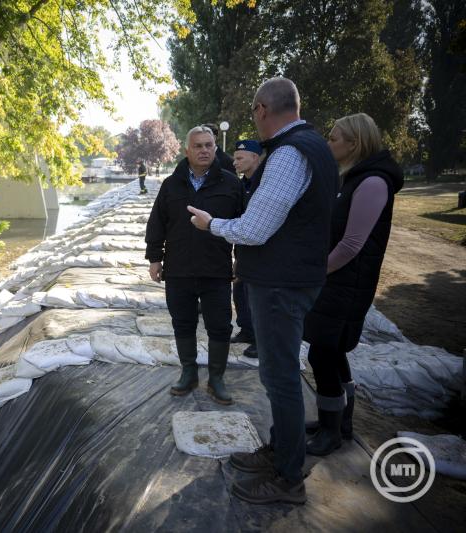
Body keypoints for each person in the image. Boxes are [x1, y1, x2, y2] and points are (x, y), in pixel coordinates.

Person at [187, 77, 338, 504]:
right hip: (291, 278)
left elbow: (254, 228)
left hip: (280, 284)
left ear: (261, 110)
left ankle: (288, 477)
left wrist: (210, 224)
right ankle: (280, 450)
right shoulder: (313, 147)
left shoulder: (289, 154)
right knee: (281, 375)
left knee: (281, 378)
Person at [303, 113, 404, 456]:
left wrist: (316, 272)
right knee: (332, 351)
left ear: (354, 144)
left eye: (334, 138)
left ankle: (332, 430)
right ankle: (338, 421)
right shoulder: (353, 178)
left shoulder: (373, 182)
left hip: (347, 285)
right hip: (338, 281)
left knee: (322, 353)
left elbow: (351, 244)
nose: (328, 143)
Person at [145, 125, 242, 404]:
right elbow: (157, 224)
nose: (204, 150)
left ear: (215, 148)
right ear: (187, 150)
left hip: (216, 270)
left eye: (209, 145)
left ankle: (217, 379)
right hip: (179, 270)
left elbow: (243, 225)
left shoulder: (230, 184)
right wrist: (155, 259)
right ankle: (189, 373)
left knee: (221, 326)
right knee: (183, 323)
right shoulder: (171, 185)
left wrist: (241, 262)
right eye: (197, 146)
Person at [229, 139, 262, 357]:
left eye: (240, 158)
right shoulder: (242, 184)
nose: (235, 162)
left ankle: (262, 341)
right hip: (242, 249)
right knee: (239, 291)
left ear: (255, 158)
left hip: (260, 252)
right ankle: (247, 330)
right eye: (234, 158)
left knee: (256, 297)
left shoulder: (264, 185)